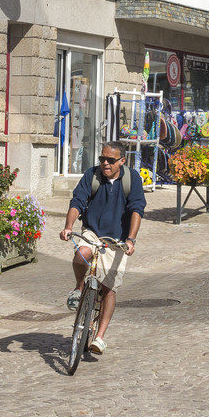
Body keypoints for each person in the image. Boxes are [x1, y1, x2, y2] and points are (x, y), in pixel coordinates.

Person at [59, 141, 145, 356]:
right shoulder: (92, 175)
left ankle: (99, 337)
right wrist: (68, 227)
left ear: (122, 161)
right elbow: (77, 201)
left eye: (110, 160)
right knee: (82, 254)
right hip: (92, 231)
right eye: (102, 159)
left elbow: (137, 209)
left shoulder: (131, 179)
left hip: (117, 239)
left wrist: (131, 239)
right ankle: (79, 288)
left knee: (109, 288)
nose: (105, 163)